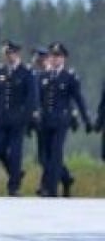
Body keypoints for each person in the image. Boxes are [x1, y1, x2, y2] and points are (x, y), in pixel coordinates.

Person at [35, 42, 90, 197]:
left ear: (64, 58)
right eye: (52, 56)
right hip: (45, 121)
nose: (54, 59)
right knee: (44, 157)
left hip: (61, 121)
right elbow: (38, 99)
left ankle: (50, 189)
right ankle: (65, 178)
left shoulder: (69, 77)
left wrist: (86, 119)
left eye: (58, 56)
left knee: (56, 154)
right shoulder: (43, 76)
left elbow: (79, 99)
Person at [0, 41, 38, 196]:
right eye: (6, 54)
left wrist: (26, 116)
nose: (8, 56)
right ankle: (15, 173)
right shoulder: (1, 72)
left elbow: (32, 97)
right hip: (3, 119)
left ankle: (14, 186)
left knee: (16, 152)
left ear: (17, 54)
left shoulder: (26, 72)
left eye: (11, 53)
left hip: (18, 119)